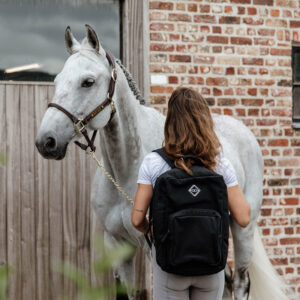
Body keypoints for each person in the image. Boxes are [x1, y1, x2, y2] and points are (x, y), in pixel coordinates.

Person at [131, 87, 250, 300]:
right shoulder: (221, 164)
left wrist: (152, 231)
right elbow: (243, 218)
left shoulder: (153, 162)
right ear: (205, 121)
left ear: (170, 123)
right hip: (210, 266)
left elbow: (136, 219)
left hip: (170, 265)